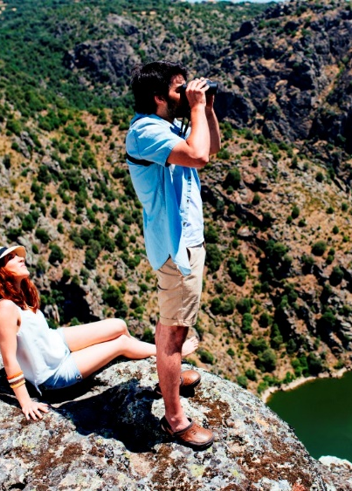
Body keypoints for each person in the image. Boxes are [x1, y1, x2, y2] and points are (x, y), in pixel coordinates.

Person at [0, 245, 200, 421]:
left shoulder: (4, 301)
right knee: (121, 343)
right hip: (53, 373)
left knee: (118, 325)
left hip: (55, 342)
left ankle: (158, 355)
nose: (20, 258)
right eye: (11, 258)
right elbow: (9, 362)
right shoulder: (5, 309)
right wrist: (25, 402)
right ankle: (170, 358)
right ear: (1, 271)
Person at [126, 61, 221, 450]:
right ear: (158, 97)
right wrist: (196, 109)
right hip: (175, 249)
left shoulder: (167, 127)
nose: (186, 94)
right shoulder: (145, 131)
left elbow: (209, 149)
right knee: (173, 331)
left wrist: (207, 108)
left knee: (177, 324)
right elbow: (197, 158)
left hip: (186, 241)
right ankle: (175, 420)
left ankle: (173, 374)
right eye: (179, 89)